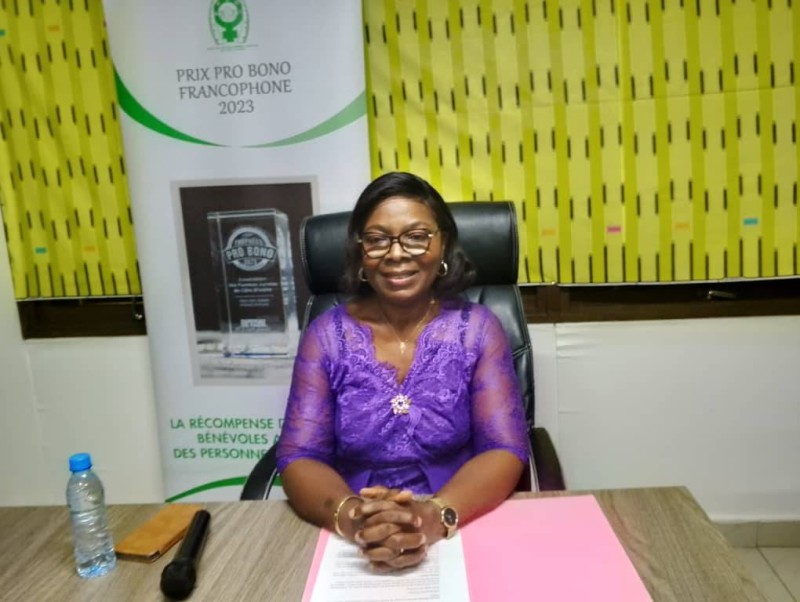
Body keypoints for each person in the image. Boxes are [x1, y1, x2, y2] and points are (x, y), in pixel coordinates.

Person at [276, 171, 528, 572]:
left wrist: (433, 517)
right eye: (377, 239)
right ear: (360, 252)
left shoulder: (477, 329)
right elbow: (299, 455)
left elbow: (504, 448)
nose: (396, 253)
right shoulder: (326, 336)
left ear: (443, 243)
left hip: (459, 521)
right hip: (349, 538)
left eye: (416, 236)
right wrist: (356, 518)